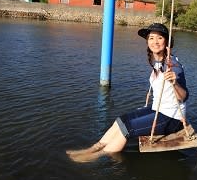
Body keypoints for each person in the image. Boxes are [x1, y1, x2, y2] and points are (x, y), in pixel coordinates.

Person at [66, 23, 189, 162]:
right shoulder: (158, 62)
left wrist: (175, 83)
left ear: (166, 41)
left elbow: (184, 96)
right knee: (121, 120)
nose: (155, 42)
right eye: (151, 38)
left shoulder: (173, 65)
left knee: (128, 129)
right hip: (158, 110)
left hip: (172, 118)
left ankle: (97, 156)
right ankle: (94, 147)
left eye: (159, 38)